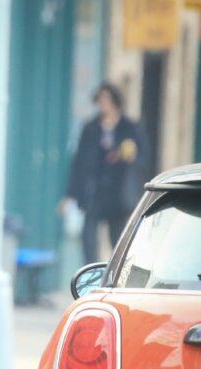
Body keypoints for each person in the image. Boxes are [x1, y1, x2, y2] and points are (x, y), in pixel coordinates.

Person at [62, 82, 150, 263]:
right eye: (100, 99)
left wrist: (130, 157)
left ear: (115, 101)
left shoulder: (130, 127)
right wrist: (69, 194)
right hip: (94, 190)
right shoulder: (91, 127)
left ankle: (117, 276)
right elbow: (79, 162)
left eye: (107, 99)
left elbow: (144, 158)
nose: (103, 104)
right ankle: (90, 274)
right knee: (88, 238)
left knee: (118, 240)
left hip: (118, 193)